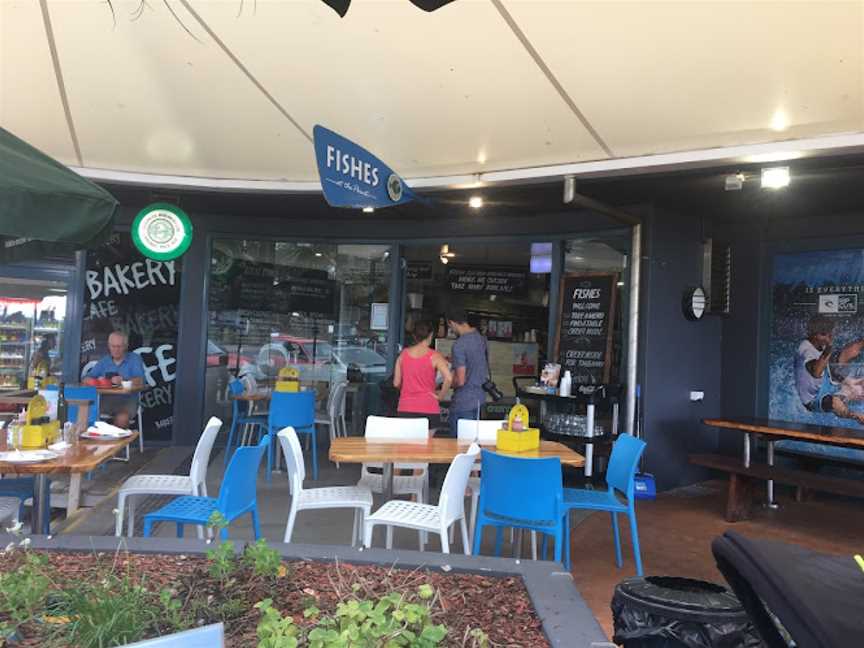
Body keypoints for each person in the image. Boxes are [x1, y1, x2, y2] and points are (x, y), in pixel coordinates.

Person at [795, 315, 864, 424]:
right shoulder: (805, 350)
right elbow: (816, 372)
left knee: (844, 356)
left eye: (830, 334)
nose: (828, 338)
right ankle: (857, 417)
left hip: (826, 383)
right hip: (814, 399)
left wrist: (848, 381)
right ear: (813, 334)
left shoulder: (818, 343)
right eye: (823, 335)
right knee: (835, 402)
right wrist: (829, 346)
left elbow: (830, 366)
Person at [393, 320, 452, 431]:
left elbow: (396, 383)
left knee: (407, 445)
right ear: (430, 335)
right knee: (427, 446)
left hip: (406, 407)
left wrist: (407, 388)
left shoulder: (403, 354)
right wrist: (440, 396)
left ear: (414, 336)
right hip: (429, 407)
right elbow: (448, 378)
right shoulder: (435, 356)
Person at [88, 330, 145, 428]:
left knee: (122, 419)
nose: (115, 349)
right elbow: (87, 378)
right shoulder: (104, 361)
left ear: (125, 346)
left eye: (119, 346)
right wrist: (97, 382)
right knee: (85, 412)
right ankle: (93, 442)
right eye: (113, 346)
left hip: (127, 401)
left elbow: (140, 380)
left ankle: (116, 443)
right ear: (108, 346)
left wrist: (123, 381)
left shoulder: (134, 359)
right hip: (105, 400)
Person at [446, 309, 489, 437]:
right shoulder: (482, 340)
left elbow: (460, 380)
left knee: (458, 447)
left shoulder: (459, 345)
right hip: (480, 400)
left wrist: (447, 381)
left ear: (452, 323)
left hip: (463, 403)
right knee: (474, 446)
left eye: (450, 326)